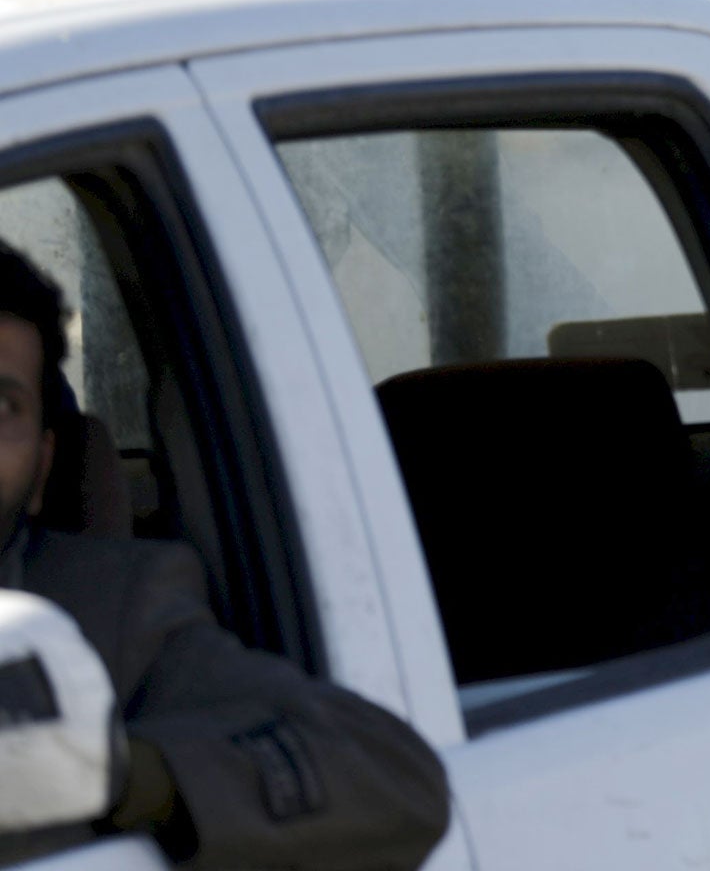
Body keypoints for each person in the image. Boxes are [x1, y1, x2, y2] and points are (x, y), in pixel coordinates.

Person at [0, 243, 448, 868]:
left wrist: (113, 775)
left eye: (1, 408)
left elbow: (392, 776)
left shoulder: (109, 611)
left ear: (44, 465)